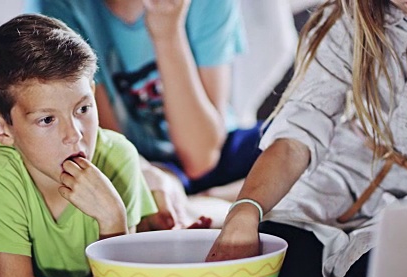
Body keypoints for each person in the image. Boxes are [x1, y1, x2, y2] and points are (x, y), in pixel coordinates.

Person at [207, 0, 407, 277]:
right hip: (350, 169)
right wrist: (244, 211)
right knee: (262, 270)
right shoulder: (347, 19)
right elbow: (295, 138)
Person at [0, 14, 158, 277]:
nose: (74, 134)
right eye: (47, 119)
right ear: (1, 128)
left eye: (84, 109)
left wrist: (113, 220)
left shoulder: (118, 157)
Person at [25, 0, 263, 198]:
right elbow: (111, 151)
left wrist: (167, 33)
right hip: (138, 162)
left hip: (217, 146)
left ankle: (208, 202)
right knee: (137, 191)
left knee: (285, 147)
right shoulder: (66, 8)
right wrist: (158, 180)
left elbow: (201, 158)